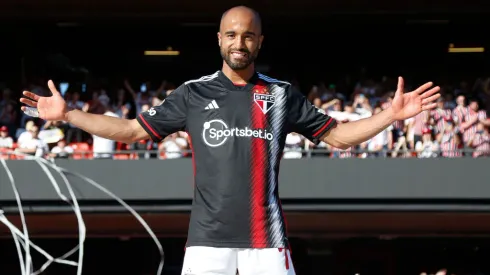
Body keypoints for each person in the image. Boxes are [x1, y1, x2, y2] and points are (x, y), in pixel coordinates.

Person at [20, 6, 441, 275]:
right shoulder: (192, 94)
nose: (240, 43)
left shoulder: (281, 95)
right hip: (206, 243)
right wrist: (70, 114)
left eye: (249, 35)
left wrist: (389, 114)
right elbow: (131, 131)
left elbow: (339, 137)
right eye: (232, 35)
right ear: (219, 39)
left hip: (267, 243)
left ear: (260, 41)